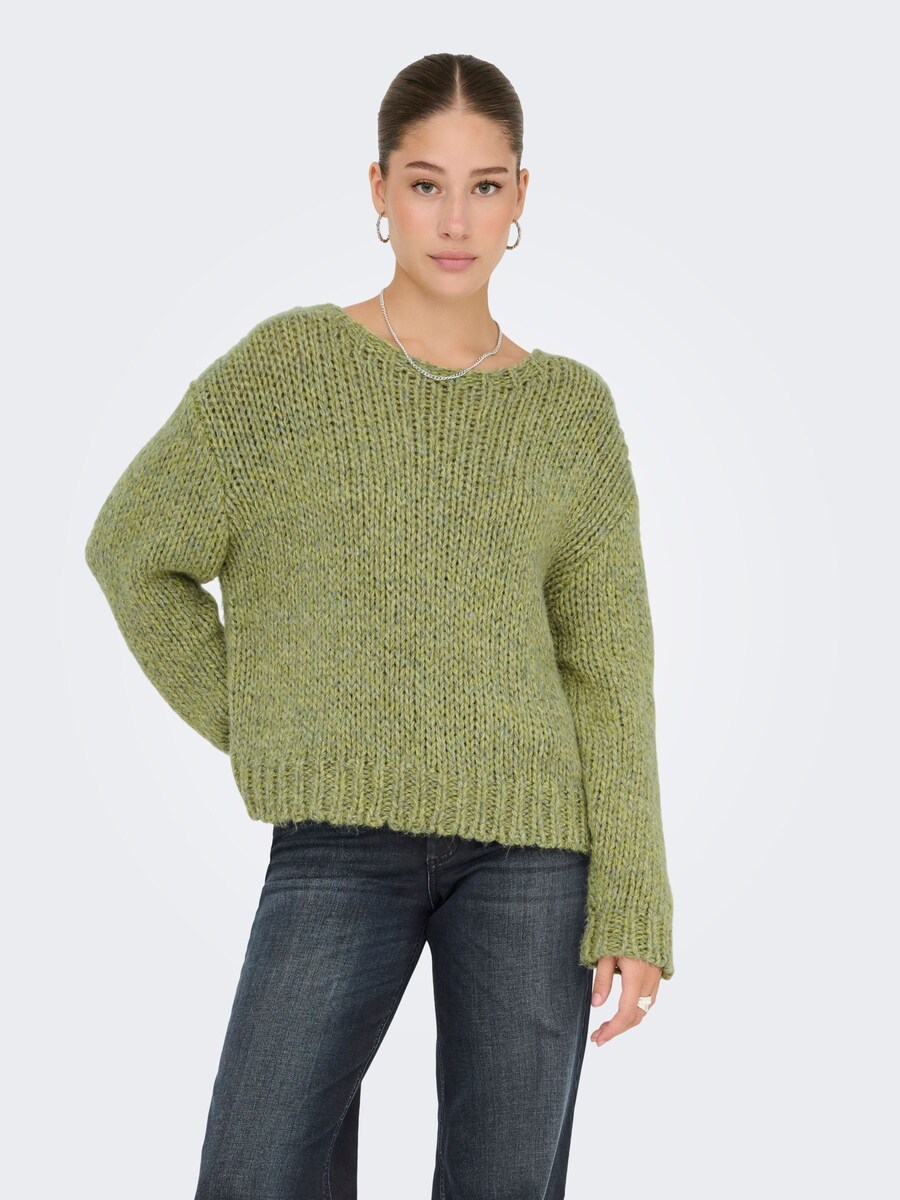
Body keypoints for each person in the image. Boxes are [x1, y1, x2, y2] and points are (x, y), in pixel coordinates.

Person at [84, 52, 675, 1200]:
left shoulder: (571, 412)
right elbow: (132, 551)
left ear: (520, 196)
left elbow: (609, 667)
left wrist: (635, 898)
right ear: (378, 188)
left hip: (533, 856)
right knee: (254, 1170)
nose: (455, 220)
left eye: (485, 186)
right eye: (425, 184)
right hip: (338, 842)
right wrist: (262, 721)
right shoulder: (284, 374)